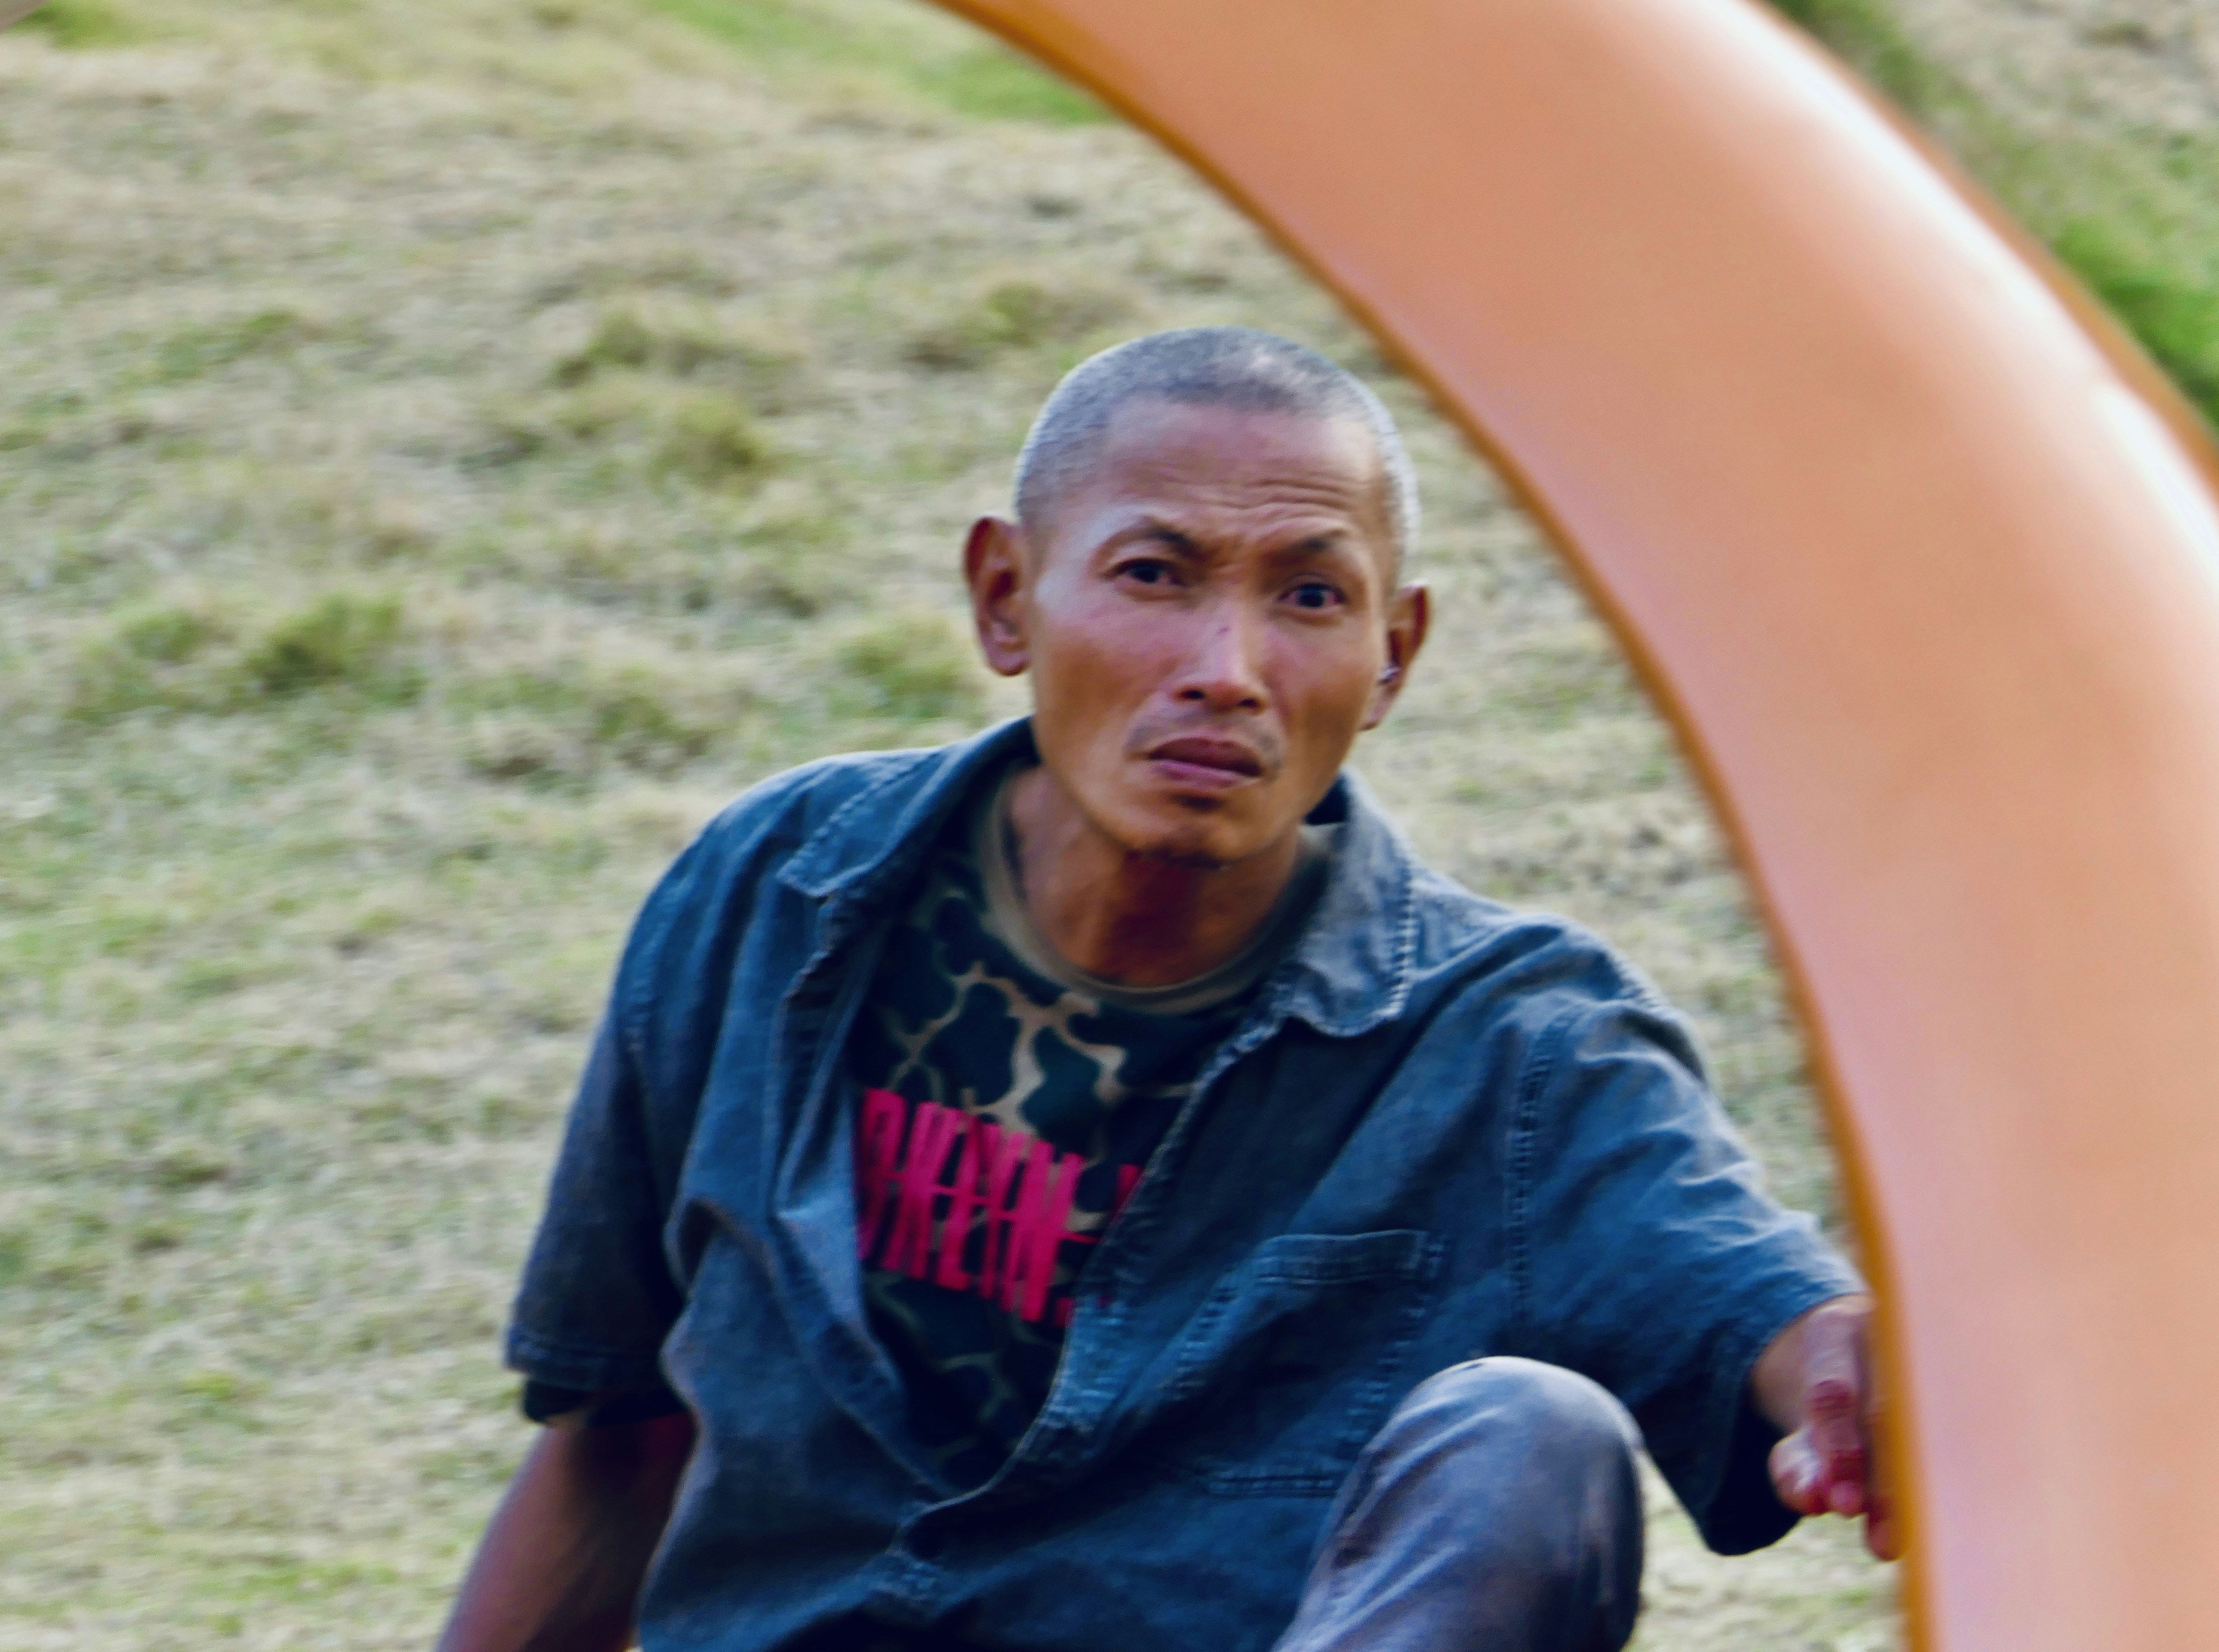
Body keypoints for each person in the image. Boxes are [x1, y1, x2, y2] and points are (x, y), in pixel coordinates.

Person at [440, 327, 1895, 1652]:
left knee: (1528, 1440)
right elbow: (616, 1438)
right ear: (1006, 598)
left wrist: (1868, 1369)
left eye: (1311, 597)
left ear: (1393, 655)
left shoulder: (1516, 1049)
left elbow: (1761, 1311)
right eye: (1155, 575)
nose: (1230, 670)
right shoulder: (770, 894)